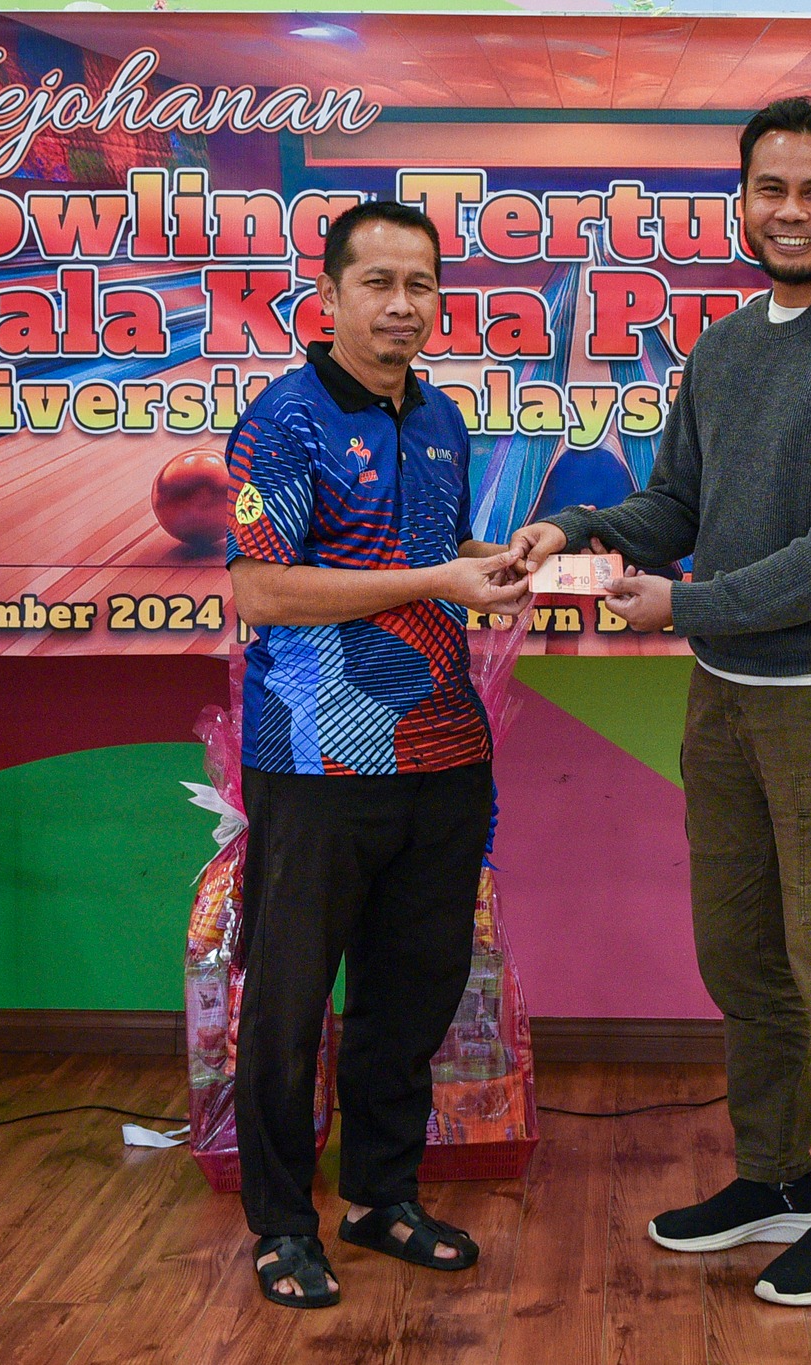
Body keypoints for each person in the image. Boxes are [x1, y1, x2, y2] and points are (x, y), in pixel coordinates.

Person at [510, 97, 811, 1308]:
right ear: (740, 199)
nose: (789, 212)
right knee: (742, 960)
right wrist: (573, 528)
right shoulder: (726, 346)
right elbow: (676, 506)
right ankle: (774, 1178)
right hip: (728, 695)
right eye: (769, 189)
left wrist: (683, 607)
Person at [224, 199, 531, 1309]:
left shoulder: (441, 416)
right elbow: (261, 589)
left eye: (420, 285)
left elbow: (431, 552)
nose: (402, 305)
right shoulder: (283, 422)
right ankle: (280, 1225)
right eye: (378, 284)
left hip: (444, 752)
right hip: (317, 760)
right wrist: (440, 579)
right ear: (330, 297)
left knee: (413, 994)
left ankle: (379, 1197)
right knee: (289, 1006)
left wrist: (500, 560)